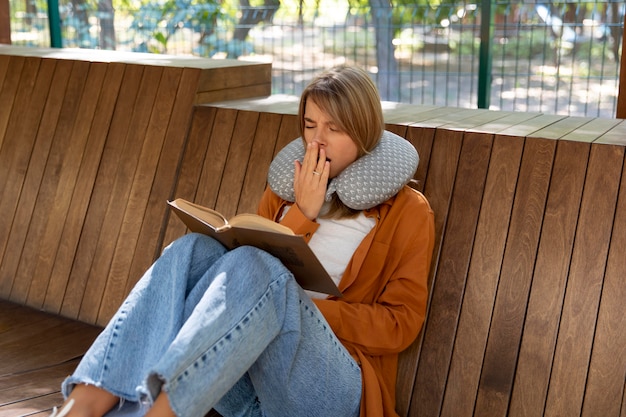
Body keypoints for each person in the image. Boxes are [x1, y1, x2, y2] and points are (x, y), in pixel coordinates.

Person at [51, 65, 435, 417]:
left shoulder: (406, 211)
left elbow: (400, 324)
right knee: (193, 250)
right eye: (309, 125)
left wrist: (296, 306)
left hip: (331, 389)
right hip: (244, 383)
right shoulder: (286, 194)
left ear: (364, 130)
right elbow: (244, 275)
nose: (317, 142)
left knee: (261, 268)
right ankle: (84, 401)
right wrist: (303, 212)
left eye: (334, 129)